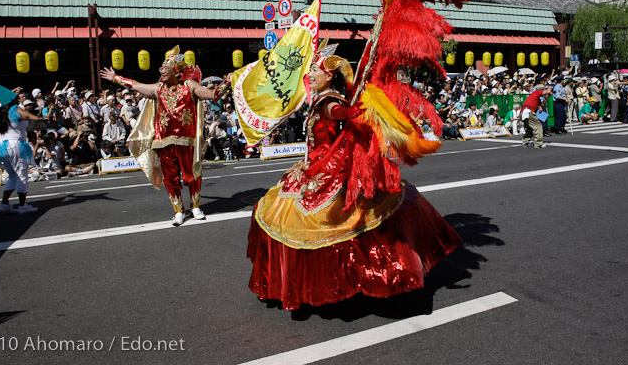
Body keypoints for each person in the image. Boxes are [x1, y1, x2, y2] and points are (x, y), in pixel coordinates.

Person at [247, 50, 462, 310]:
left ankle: (365, 277)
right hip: (315, 166)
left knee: (324, 220)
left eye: (315, 70)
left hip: (330, 168)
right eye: (311, 70)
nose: (310, 74)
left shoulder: (329, 100)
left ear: (329, 76)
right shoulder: (320, 98)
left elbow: (338, 112)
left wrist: (357, 109)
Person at [100, 46, 227, 226]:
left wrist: (228, 84)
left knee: (192, 174)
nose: (162, 72)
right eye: (162, 69)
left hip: (187, 139)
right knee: (170, 177)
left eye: (166, 68)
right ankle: (178, 210)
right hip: (163, 141)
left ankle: (196, 206)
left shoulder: (189, 86)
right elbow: (136, 85)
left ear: (177, 71)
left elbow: (212, 95)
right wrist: (116, 79)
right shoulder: (158, 89)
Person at [0, 86, 44, 214]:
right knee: (21, 175)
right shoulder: (15, 110)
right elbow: (27, 115)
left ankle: (4, 204)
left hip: (2, 146)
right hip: (16, 144)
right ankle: (23, 205)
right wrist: (39, 119)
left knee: (13, 176)